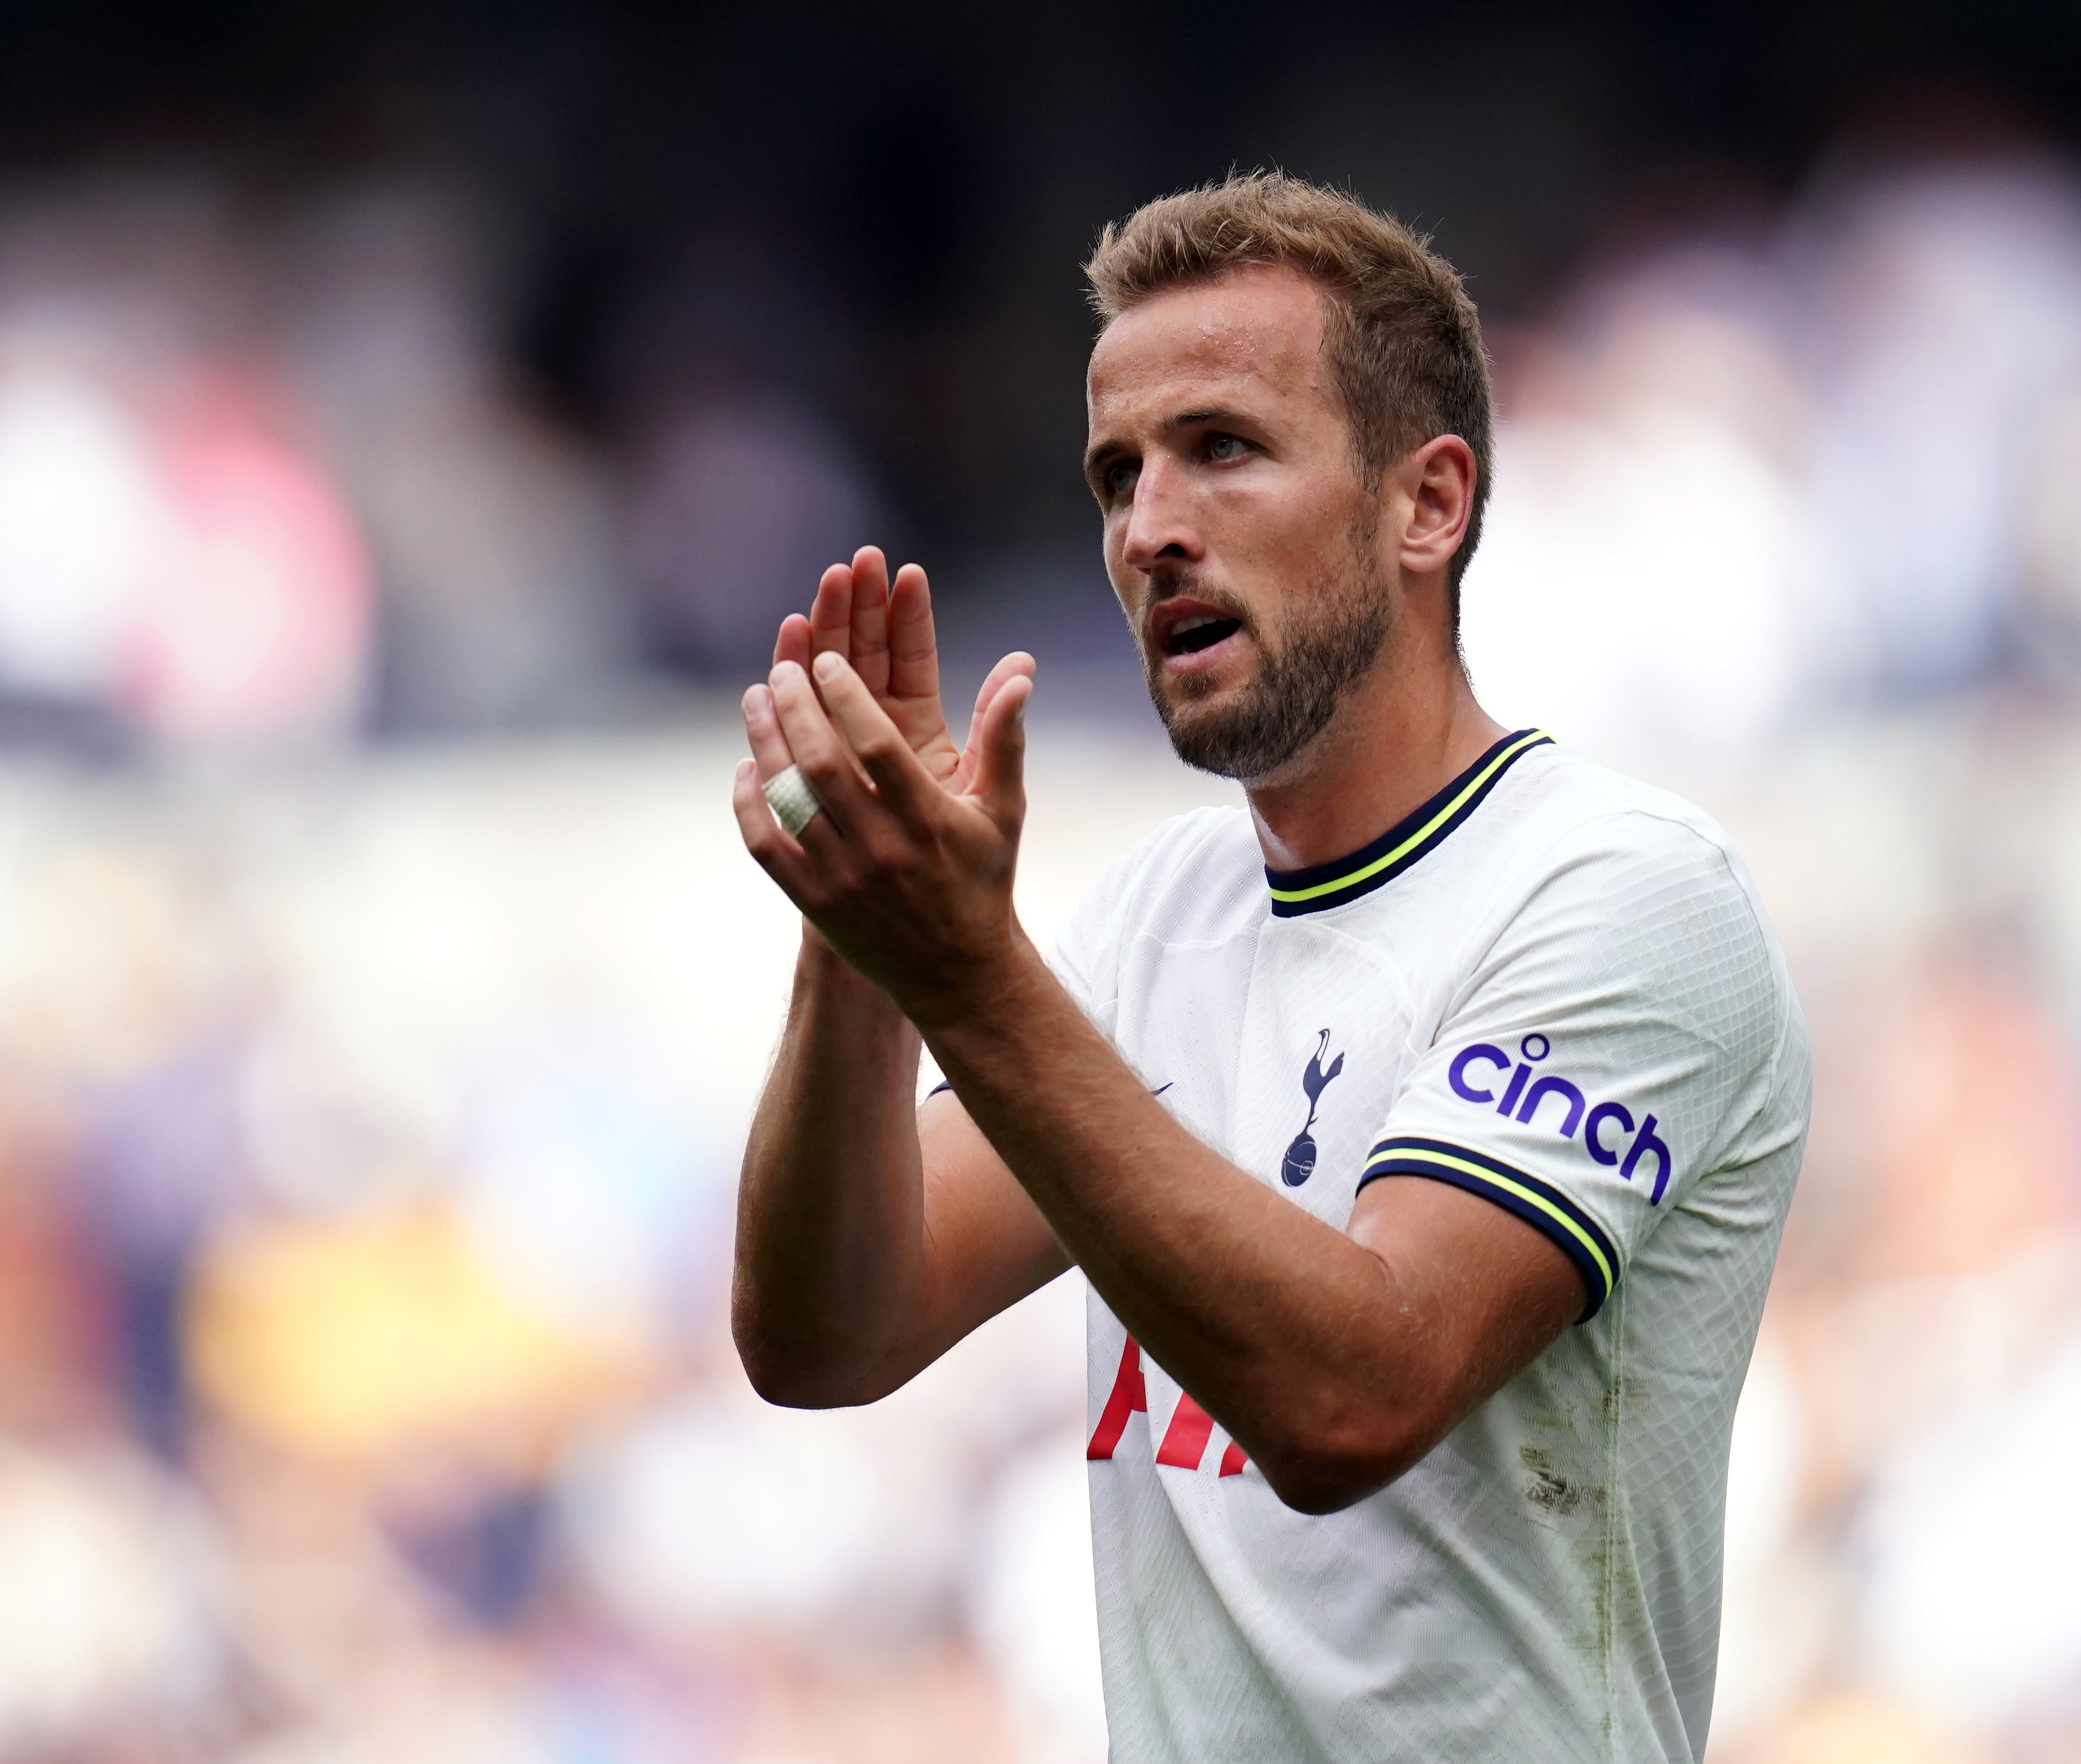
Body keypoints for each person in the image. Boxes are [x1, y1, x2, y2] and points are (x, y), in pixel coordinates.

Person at [728, 172, 1808, 1764]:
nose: (1150, 527)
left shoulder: (1622, 896)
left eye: (1221, 449)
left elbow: (1353, 1398)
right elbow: (829, 1338)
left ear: (1425, 504)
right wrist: (857, 940)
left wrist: (962, 975)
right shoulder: (1150, 919)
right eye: (1117, 475)